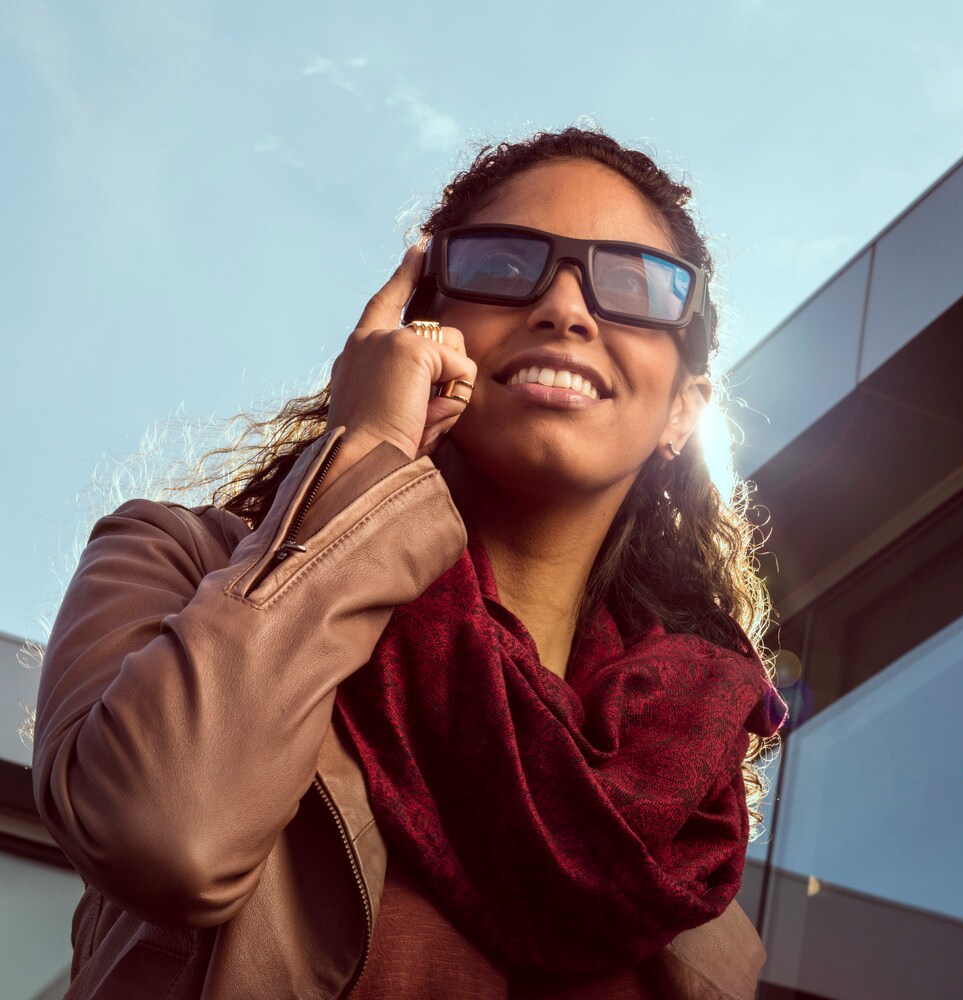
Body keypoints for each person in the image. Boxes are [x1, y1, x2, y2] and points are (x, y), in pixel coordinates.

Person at [30, 125, 788, 999]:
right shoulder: (178, 568)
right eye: (505, 266)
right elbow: (170, 836)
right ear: (420, 332)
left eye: (634, 284)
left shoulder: (684, 808)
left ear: (682, 415)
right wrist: (367, 449)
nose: (566, 309)